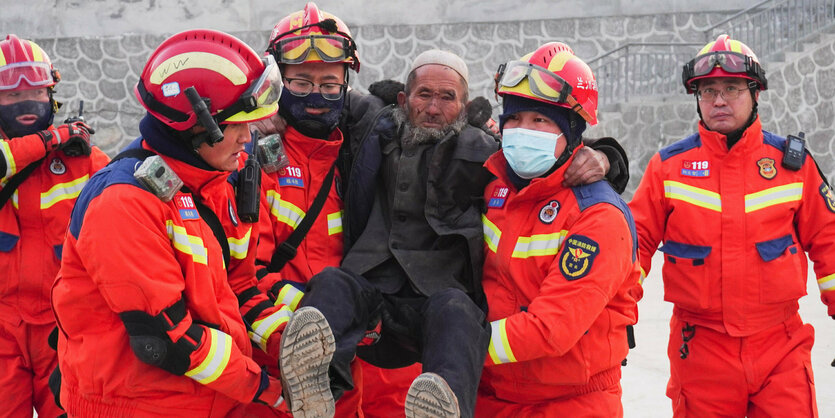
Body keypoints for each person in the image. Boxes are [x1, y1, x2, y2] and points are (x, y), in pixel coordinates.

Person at [51, 29, 335, 417]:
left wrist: (291, 347)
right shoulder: (124, 203)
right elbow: (170, 340)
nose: (247, 137)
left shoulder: (215, 184)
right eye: (237, 124)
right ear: (196, 127)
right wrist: (270, 391)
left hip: (209, 399)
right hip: (135, 407)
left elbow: (240, 287)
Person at [629, 34, 835, 417]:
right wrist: (616, 317)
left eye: (732, 89)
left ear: (755, 93)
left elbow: (829, 242)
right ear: (697, 99)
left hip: (781, 347)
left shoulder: (793, 166)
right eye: (708, 91)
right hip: (701, 349)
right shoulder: (668, 169)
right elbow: (633, 247)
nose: (719, 100)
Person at [476, 42, 640, 417]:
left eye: (540, 120)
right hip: (490, 395)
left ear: (572, 132)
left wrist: (460, 341)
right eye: (514, 119)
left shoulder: (598, 216)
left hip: (571, 402)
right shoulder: (495, 186)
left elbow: (552, 328)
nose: (522, 131)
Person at [252, 2, 369, 416]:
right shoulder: (248, 155)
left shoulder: (361, 150)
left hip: (348, 361)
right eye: (300, 82)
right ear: (277, 81)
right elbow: (245, 272)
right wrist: (311, 321)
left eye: (329, 83)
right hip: (271, 365)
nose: (316, 96)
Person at [0, 33, 109, 417]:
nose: (26, 103)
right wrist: (50, 139)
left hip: (63, 327)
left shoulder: (84, 161)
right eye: (12, 96)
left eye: (36, 93)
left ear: (52, 97)